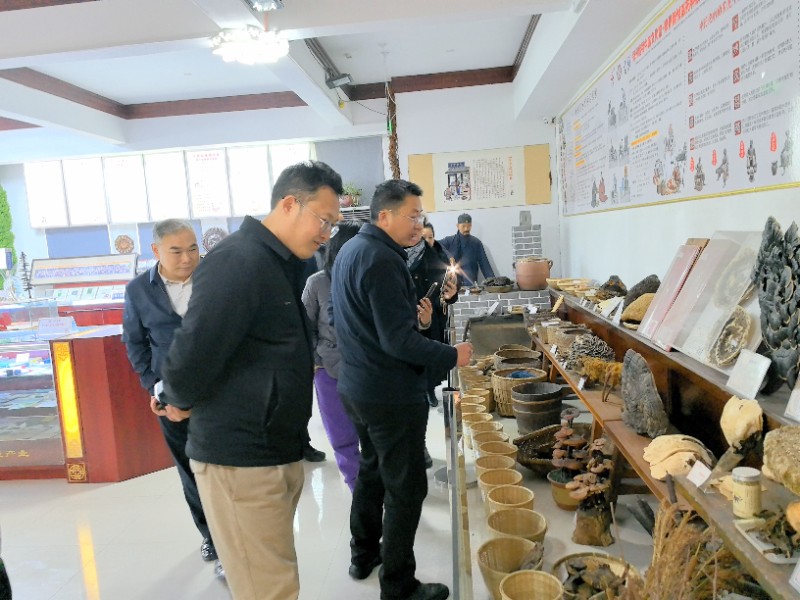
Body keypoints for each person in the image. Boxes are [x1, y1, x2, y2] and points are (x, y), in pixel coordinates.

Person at [161, 161, 343, 600]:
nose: (326, 234)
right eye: (323, 220)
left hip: (273, 450)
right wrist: (176, 398)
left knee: (272, 578)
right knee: (268, 589)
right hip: (240, 459)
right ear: (289, 204)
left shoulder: (278, 261)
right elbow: (192, 353)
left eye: (333, 225)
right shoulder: (238, 261)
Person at [331, 179, 473, 600]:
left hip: (357, 387)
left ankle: (363, 554)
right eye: (412, 216)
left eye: (421, 216)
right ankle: (398, 585)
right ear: (384, 215)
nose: (418, 225)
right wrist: (452, 354)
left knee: (372, 470)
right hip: (388, 393)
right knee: (406, 487)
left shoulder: (353, 250)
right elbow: (398, 341)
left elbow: (373, 323)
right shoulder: (381, 259)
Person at [121, 219, 220, 574]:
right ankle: (211, 536)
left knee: (225, 467)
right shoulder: (139, 290)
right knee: (190, 468)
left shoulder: (216, 279)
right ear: (156, 251)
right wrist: (154, 387)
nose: (187, 258)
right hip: (172, 397)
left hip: (220, 391)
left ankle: (235, 533)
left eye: (192, 248)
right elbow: (135, 342)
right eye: (176, 251)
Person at [302, 221, 362, 491]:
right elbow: (305, 327)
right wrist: (317, 361)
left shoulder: (369, 277)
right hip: (329, 370)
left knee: (374, 434)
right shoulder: (316, 283)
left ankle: (376, 485)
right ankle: (356, 486)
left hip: (367, 369)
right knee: (342, 436)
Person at [410, 221, 459, 407]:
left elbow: (448, 289)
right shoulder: (405, 257)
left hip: (435, 316)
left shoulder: (440, 257)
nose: (427, 241)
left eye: (430, 237)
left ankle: (430, 389)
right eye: (423, 237)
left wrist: (451, 294)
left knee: (432, 354)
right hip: (413, 314)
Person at [439, 212, 495, 286]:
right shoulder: (449, 240)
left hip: (471, 284)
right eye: (463, 226)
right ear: (457, 226)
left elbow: (485, 265)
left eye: (469, 226)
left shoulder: (476, 243)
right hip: (452, 285)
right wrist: (449, 256)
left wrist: (493, 283)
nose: (466, 229)